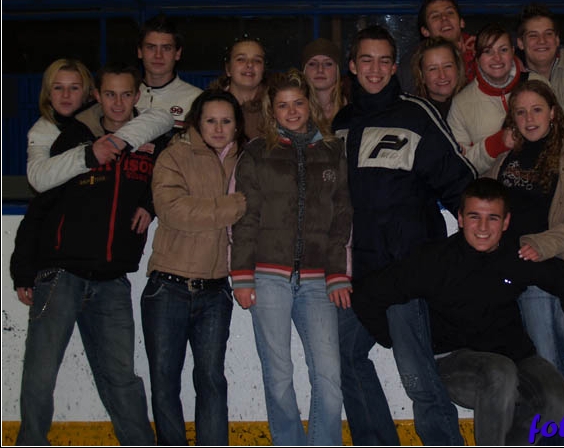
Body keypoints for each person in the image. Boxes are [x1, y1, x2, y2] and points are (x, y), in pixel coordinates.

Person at [351, 178, 564, 445]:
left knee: (558, 399)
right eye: (474, 216)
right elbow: (368, 294)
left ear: (506, 222)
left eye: (492, 218)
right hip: (455, 362)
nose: (482, 227)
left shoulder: (518, 256)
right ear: (460, 218)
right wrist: (390, 339)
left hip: (517, 358)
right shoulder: (435, 260)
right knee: (499, 373)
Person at [332, 25, 476, 446]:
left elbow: (460, 182)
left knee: (417, 376)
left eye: (384, 61)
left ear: (394, 67)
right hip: (357, 272)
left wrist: (479, 242)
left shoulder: (416, 114)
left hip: (407, 271)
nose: (375, 69)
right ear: (352, 65)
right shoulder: (341, 124)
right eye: (366, 60)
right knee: (343, 356)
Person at [12, 63, 166, 446]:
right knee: (41, 374)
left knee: (122, 378)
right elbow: (40, 205)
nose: (118, 102)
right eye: (109, 94)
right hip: (59, 276)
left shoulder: (153, 138)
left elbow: (169, 178)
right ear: (97, 96)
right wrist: (23, 270)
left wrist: (150, 204)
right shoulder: (71, 138)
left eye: (126, 94)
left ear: (137, 95)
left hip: (112, 279)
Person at [232, 70, 352, 445]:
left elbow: (342, 216)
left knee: (329, 377)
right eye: (283, 105)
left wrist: (337, 272)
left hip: (318, 281)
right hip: (268, 277)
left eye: (298, 103)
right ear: (272, 111)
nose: (292, 111)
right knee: (279, 374)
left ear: (310, 105)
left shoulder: (333, 151)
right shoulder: (257, 153)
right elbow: (246, 216)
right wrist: (242, 274)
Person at [485, 80, 564, 445]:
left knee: (548, 369)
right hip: (505, 278)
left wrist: (537, 245)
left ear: (553, 113)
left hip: (542, 276)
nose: (529, 118)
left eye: (537, 109)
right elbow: (482, 202)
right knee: (521, 374)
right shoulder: (506, 160)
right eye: (521, 112)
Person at [141, 89, 248, 445]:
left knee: (212, 381)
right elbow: (174, 211)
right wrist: (234, 206)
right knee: (164, 383)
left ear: (237, 125)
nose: (218, 128)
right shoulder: (174, 156)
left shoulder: (246, 161)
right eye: (210, 120)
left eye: (226, 121)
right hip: (167, 288)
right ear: (196, 123)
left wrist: (212, 210)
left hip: (215, 291)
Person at [26, 57, 173, 193]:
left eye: (74, 88)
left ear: (87, 92)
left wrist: (117, 141)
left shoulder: (107, 114)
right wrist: (89, 155)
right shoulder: (42, 131)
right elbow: (38, 179)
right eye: (58, 87)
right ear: (48, 93)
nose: (66, 95)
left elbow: (161, 117)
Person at [447, 23, 525, 174]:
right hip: (490, 186)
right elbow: (459, 167)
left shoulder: (536, 82)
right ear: (477, 58)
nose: (497, 58)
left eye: (503, 50)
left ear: (513, 52)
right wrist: (495, 145)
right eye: (488, 51)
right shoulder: (461, 103)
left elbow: (562, 130)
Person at [516, 4, 564, 111]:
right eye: (533, 35)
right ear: (520, 43)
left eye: (548, 34)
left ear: (557, 39)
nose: (542, 41)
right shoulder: (512, 80)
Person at [137, 13, 202, 129]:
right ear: (140, 52)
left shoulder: (197, 100)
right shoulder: (123, 98)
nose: (158, 55)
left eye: (166, 48)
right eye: (151, 47)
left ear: (177, 53)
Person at [208, 35, 269, 140]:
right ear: (228, 69)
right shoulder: (207, 105)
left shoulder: (276, 108)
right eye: (241, 59)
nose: (250, 64)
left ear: (263, 70)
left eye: (257, 60)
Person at [417, 0, 477, 83]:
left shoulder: (482, 50)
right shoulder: (417, 62)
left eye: (450, 12)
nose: (444, 18)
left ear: (462, 22)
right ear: (425, 31)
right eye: (435, 16)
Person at [410, 36, 466, 119]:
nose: (442, 75)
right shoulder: (414, 114)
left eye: (447, 66)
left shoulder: (475, 103)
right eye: (433, 69)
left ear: (458, 68)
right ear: (421, 76)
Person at [301, 37, 349, 129]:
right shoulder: (294, 112)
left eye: (328, 64)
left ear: (337, 70)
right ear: (304, 70)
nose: (320, 69)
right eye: (312, 64)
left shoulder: (354, 107)